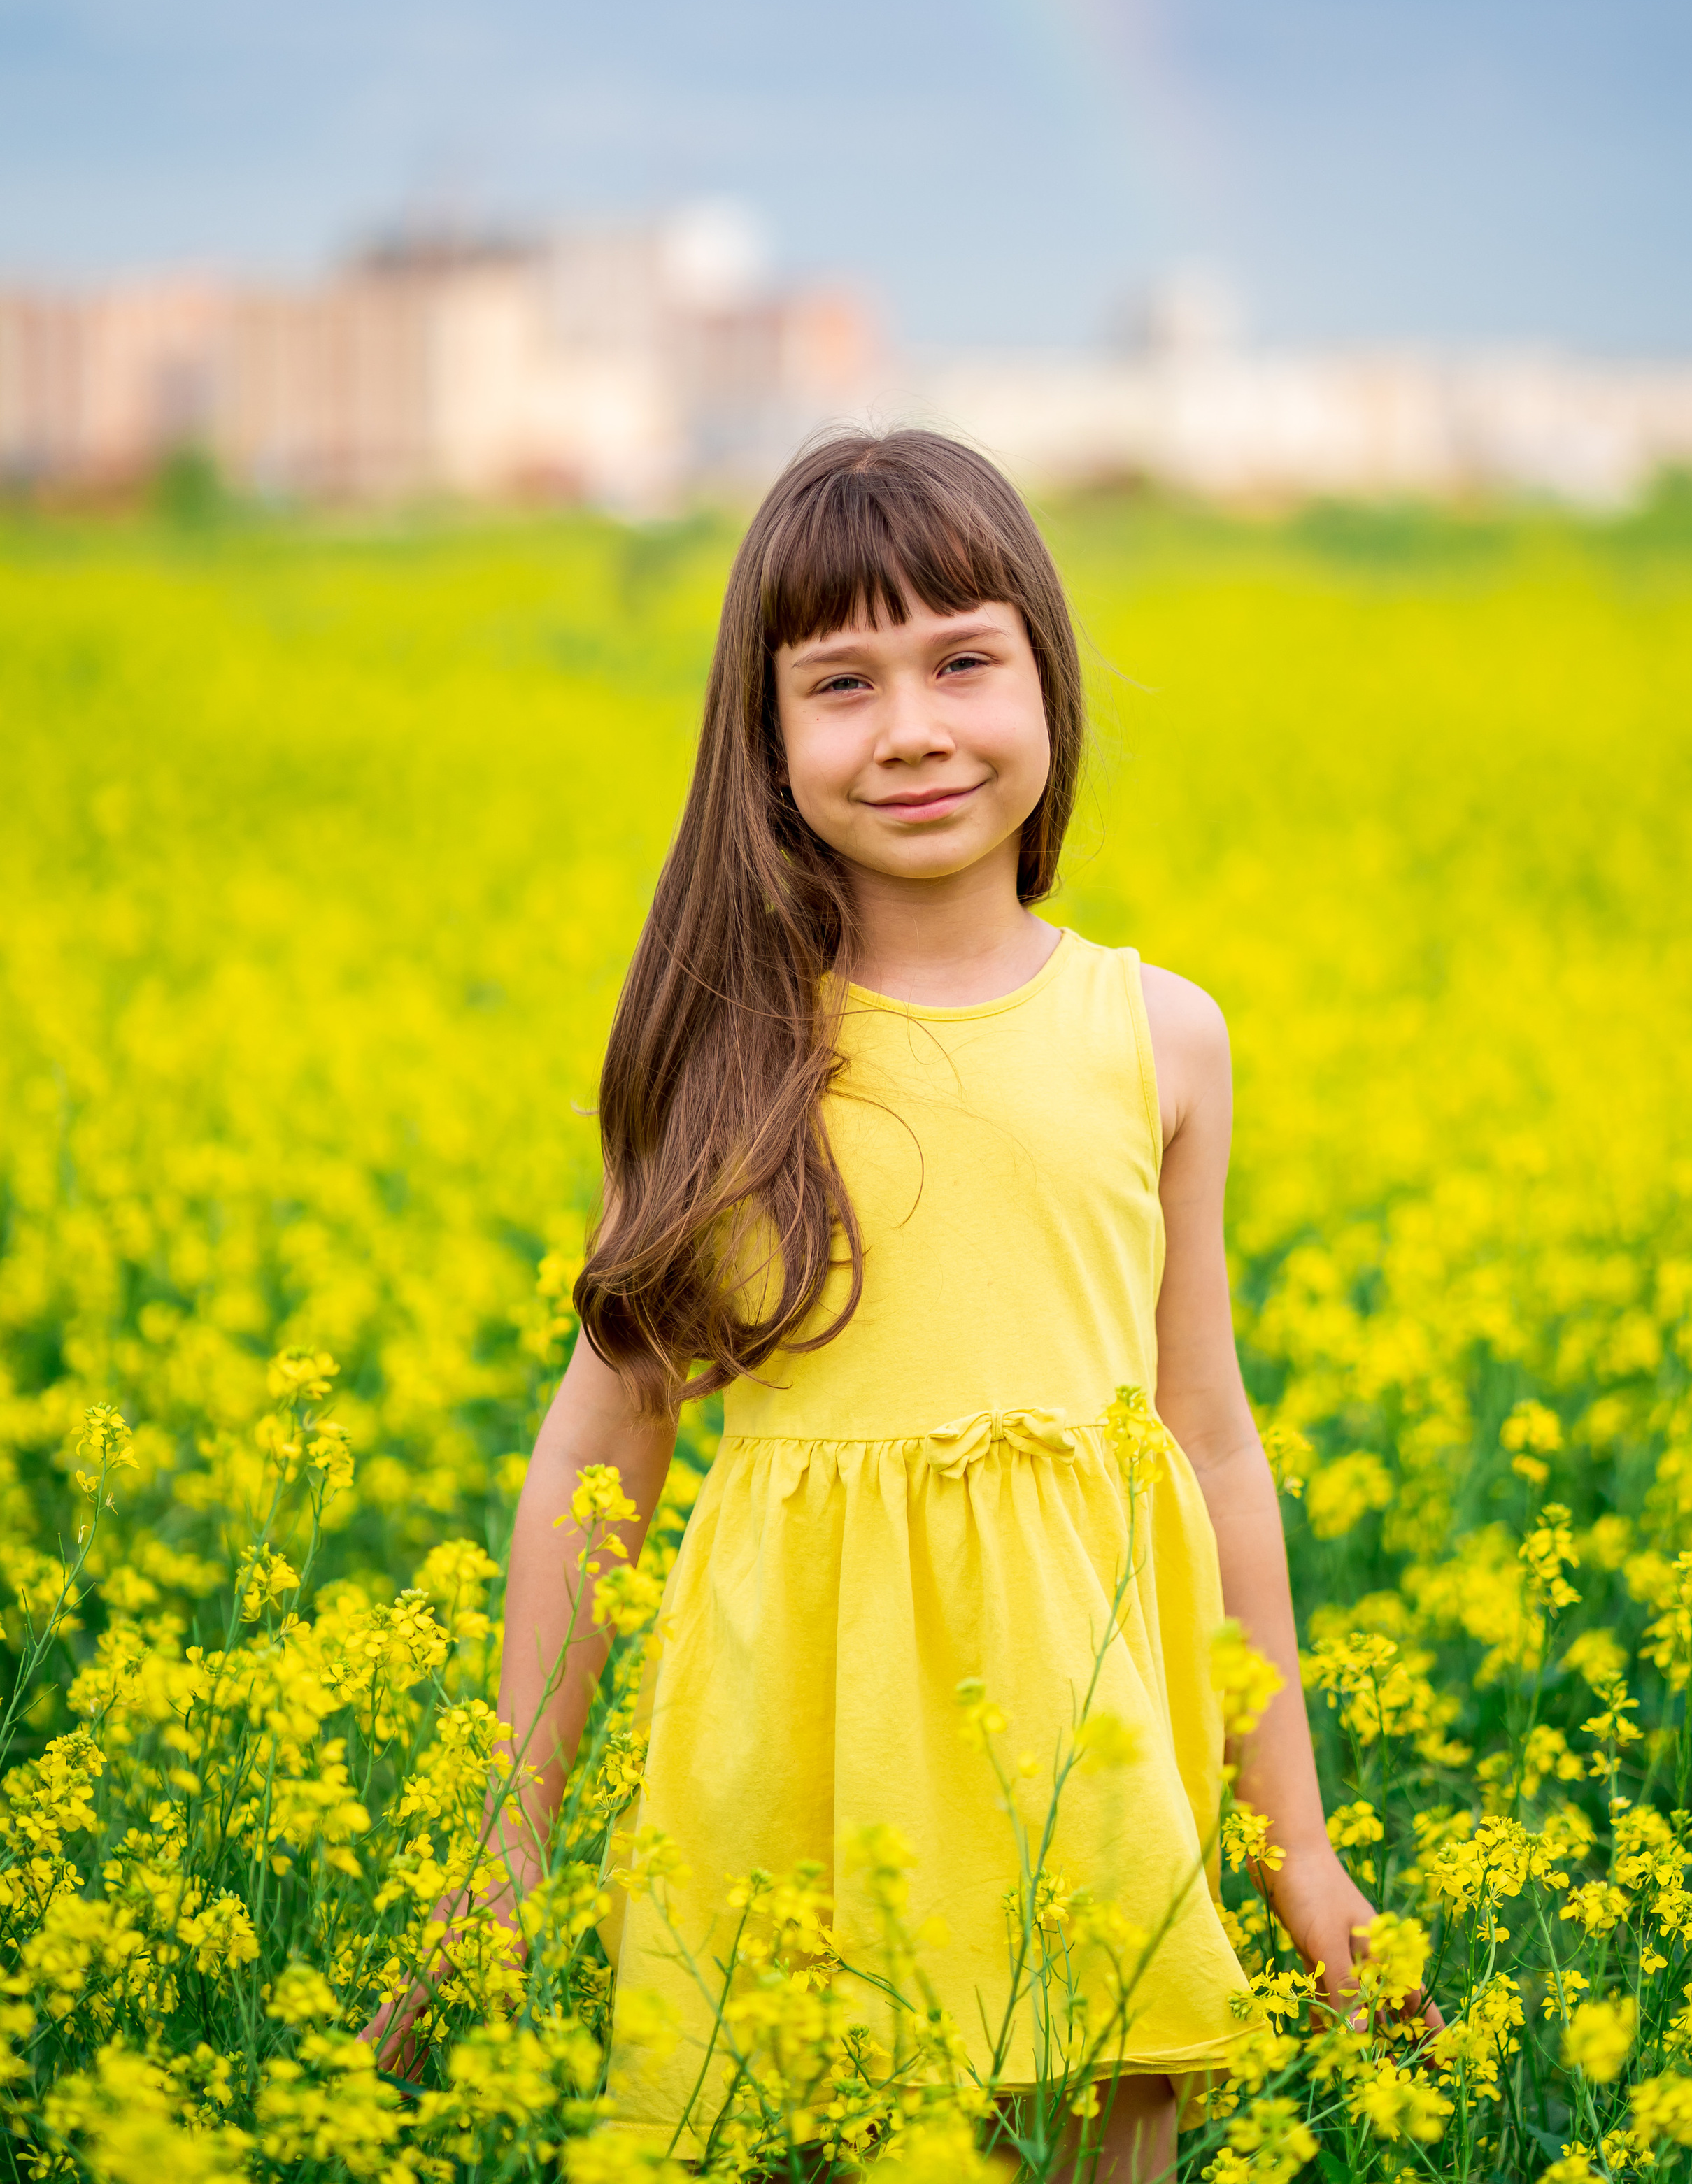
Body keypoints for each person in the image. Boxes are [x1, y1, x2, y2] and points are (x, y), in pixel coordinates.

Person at [369, 428, 1413, 2176]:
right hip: (793, 1762)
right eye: (838, 684)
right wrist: (505, 1841)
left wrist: (1291, 1841)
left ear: (1047, 686)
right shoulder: (731, 1045)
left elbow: (1210, 1445)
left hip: (1081, 1753)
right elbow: (599, 1449)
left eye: (959, 662)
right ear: (766, 746)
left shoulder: (1160, 1036)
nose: (911, 727)